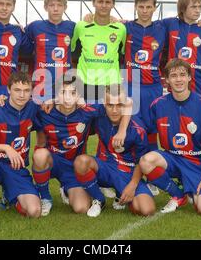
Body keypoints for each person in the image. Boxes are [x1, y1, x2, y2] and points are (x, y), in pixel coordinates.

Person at [31, 75, 131, 216]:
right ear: (55, 94)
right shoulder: (44, 110)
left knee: (81, 208)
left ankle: (66, 188)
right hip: (53, 162)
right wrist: (1, 99)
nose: (67, 98)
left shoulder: (87, 110)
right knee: (40, 155)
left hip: (74, 167)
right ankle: (45, 198)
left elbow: (128, 102)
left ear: (79, 95)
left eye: (73, 93)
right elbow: (19, 102)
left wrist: (122, 131)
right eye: (62, 92)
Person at [140, 58, 201, 215]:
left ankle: (192, 187)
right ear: (167, 80)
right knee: (146, 161)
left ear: (189, 77)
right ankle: (178, 194)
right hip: (173, 160)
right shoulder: (158, 105)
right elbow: (146, 133)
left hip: (198, 164)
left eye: (182, 75)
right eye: (174, 75)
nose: (178, 79)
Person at [74, 84, 156, 217]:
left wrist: (132, 185)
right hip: (104, 168)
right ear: (104, 104)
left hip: (127, 173)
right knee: (81, 161)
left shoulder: (138, 129)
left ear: (126, 106)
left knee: (146, 210)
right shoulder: (99, 113)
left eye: (119, 105)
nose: (114, 110)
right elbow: (72, 104)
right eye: (110, 105)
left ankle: (122, 195)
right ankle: (98, 199)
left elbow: (141, 162)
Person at [0, 72, 41, 225]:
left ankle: (9, 197)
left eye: (26, 90)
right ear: (8, 90)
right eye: (17, 90)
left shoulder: (33, 108)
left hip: (16, 168)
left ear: (31, 92)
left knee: (34, 211)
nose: (22, 95)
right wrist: (6, 148)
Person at [123, 0, 166, 150]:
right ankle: (129, 166)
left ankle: (151, 165)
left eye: (149, 7)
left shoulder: (163, 27)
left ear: (155, 7)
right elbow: (103, 23)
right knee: (129, 126)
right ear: (135, 7)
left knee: (151, 127)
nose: (145, 11)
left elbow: (185, 21)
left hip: (153, 85)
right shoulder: (125, 27)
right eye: (141, 7)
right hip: (129, 83)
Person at [71, 0, 126, 102]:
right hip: (84, 84)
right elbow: (71, 49)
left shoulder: (121, 29)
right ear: (93, 2)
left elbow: (124, 52)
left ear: (113, 4)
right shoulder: (81, 26)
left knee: (108, 120)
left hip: (110, 86)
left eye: (108, 2)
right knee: (83, 121)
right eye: (100, 1)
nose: (104, 5)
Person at [22, 0, 76, 103]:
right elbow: (19, 34)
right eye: (52, 5)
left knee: (63, 120)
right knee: (41, 120)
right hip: (41, 87)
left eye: (59, 5)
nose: (55, 9)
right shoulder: (35, 26)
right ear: (45, 7)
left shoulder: (73, 27)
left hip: (65, 87)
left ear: (65, 7)